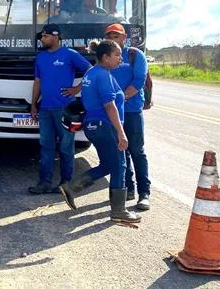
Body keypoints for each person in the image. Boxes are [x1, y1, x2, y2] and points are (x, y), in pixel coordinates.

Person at [58, 40, 141, 224]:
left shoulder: (92, 72)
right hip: (105, 125)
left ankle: (71, 187)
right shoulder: (102, 75)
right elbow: (109, 105)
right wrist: (121, 132)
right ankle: (119, 210)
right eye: (117, 55)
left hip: (94, 125)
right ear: (105, 57)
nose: (121, 58)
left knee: (108, 164)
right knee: (119, 165)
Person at [28, 24, 91, 194]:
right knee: (46, 147)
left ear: (55, 37)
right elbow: (38, 82)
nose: (42, 39)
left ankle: (66, 184)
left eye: (45, 36)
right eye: (42, 36)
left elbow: (90, 70)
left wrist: (77, 89)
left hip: (65, 109)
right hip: (45, 109)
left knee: (65, 147)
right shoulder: (40, 57)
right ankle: (44, 183)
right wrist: (34, 104)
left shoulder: (69, 54)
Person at [105, 23, 151, 211]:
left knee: (137, 151)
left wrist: (121, 98)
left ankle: (144, 193)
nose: (113, 39)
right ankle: (128, 189)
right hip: (114, 113)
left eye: (116, 36)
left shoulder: (134, 55)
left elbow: (139, 80)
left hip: (131, 111)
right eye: (110, 36)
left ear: (124, 38)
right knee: (121, 152)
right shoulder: (106, 57)